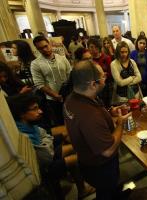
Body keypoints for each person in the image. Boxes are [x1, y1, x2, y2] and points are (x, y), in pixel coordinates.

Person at [64, 60, 131, 200]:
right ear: (93, 84)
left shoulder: (71, 99)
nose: (105, 77)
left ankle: (116, 193)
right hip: (100, 167)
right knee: (105, 192)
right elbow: (108, 150)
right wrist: (120, 123)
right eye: (102, 76)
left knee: (111, 189)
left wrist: (107, 113)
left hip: (86, 161)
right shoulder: (89, 115)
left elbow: (91, 119)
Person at [7, 93, 95, 200]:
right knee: (80, 156)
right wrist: (47, 143)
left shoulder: (29, 125)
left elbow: (47, 137)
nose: (40, 111)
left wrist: (47, 143)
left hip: (47, 154)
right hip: (43, 169)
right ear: (21, 114)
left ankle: (82, 188)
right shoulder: (23, 134)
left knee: (76, 146)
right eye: (34, 109)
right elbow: (46, 157)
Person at [31, 35, 71, 126]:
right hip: (52, 99)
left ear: (49, 44)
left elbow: (70, 74)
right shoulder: (35, 64)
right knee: (59, 122)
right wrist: (55, 95)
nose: (45, 49)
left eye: (46, 46)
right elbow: (39, 84)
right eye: (40, 48)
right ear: (37, 49)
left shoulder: (62, 58)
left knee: (73, 118)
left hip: (68, 95)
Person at [88, 38, 113, 107]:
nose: (93, 49)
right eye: (91, 47)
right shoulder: (89, 60)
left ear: (99, 48)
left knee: (107, 105)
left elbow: (111, 73)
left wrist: (104, 75)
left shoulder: (106, 58)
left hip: (106, 85)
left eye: (95, 47)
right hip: (94, 87)